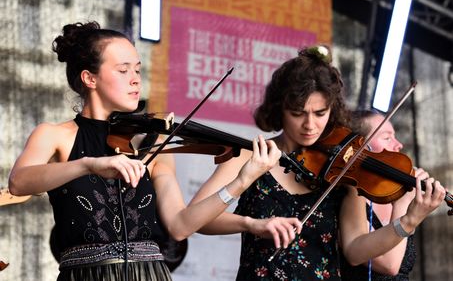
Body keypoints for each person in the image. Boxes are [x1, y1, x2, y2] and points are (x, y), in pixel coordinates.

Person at [7, 21, 289, 281]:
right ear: (89, 79)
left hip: (150, 274)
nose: (135, 79)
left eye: (138, 70)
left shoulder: (151, 145)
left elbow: (180, 226)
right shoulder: (54, 135)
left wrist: (241, 181)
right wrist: (88, 165)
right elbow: (19, 182)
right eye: (123, 70)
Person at [189, 45, 446, 280]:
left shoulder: (344, 168)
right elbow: (195, 218)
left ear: (332, 110)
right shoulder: (251, 154)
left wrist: (409, 221)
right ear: (279, 109)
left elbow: (356, 251)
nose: (310, 125)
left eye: (320, 113)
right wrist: (251, 224)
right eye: (298, 114)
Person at [339, 109, 417, 280]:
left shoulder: (395, 195)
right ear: (360, 146)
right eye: (387, 137)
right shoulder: (350, 195)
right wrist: (403, 207)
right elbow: (389, 265)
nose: (398, 145)